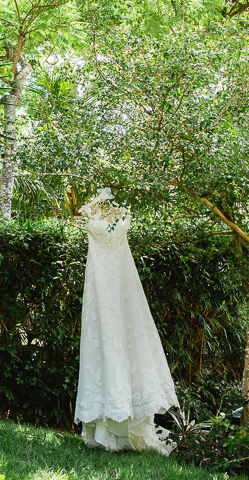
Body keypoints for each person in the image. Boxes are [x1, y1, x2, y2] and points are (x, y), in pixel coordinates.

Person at [74, 187, 180, 455]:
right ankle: (105, 427)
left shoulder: (123, 213)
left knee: (128, 341)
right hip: (99, 281)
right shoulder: (87, 211)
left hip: (122, 281)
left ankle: (130, 426)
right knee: (103, 342)